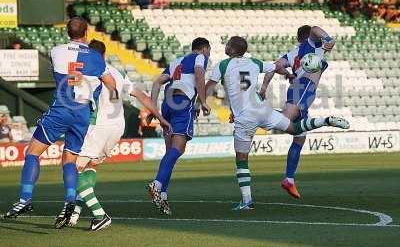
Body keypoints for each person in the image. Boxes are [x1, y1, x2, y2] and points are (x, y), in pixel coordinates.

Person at [206, 36, 349, 210]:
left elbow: (210, 86)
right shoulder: (254, 62)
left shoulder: (223, 65)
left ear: (232, 49)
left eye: (228, 45)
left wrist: (201, 103)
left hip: (245, 117)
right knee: (295, 128)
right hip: (263, 110)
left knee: (241, 159)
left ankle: (246, 200)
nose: (226, 47)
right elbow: (276, 67)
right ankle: (325, 120)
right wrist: (289, 74)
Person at [3, 17, 117, 229]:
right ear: (87, 33)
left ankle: (25, 199)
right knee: (69, 160)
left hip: (62, 108)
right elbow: (111, 84)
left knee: (33, 153)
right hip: (83, 113)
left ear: (67, 33)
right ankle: (70, 201)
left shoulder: (56, 51)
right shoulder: (96, 57)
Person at [68, 39, 171, 231]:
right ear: (104, 54)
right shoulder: (118, 72)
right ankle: (75, 213)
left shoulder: (89, 69)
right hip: (117, 127)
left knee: (72, 169)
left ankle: (99, 215)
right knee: (91, 165)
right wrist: (161, 118)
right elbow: (142, 96)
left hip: (97, 125)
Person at [259, 25, 337, 200]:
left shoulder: (293, 53)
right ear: (308, 38)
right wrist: (328, 39)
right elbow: (316, 28)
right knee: (286, 120)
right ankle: (254, 115)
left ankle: (289, 179)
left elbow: (274, 66)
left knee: (300, 136)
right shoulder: (311, 45)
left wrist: (269, 84)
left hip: (299, 88)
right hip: (304, 88)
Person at [146, 37, 211, 215]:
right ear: (204, 49)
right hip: (183, 101)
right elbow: (199, 75)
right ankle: (157, 184)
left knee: (170, 153)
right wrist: (203, 102)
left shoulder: (176, 62)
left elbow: (157, 82)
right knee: (178, 149)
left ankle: (163, 197)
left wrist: (153, 108)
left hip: (167, 103)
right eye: (209, 51)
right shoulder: (200, 58)